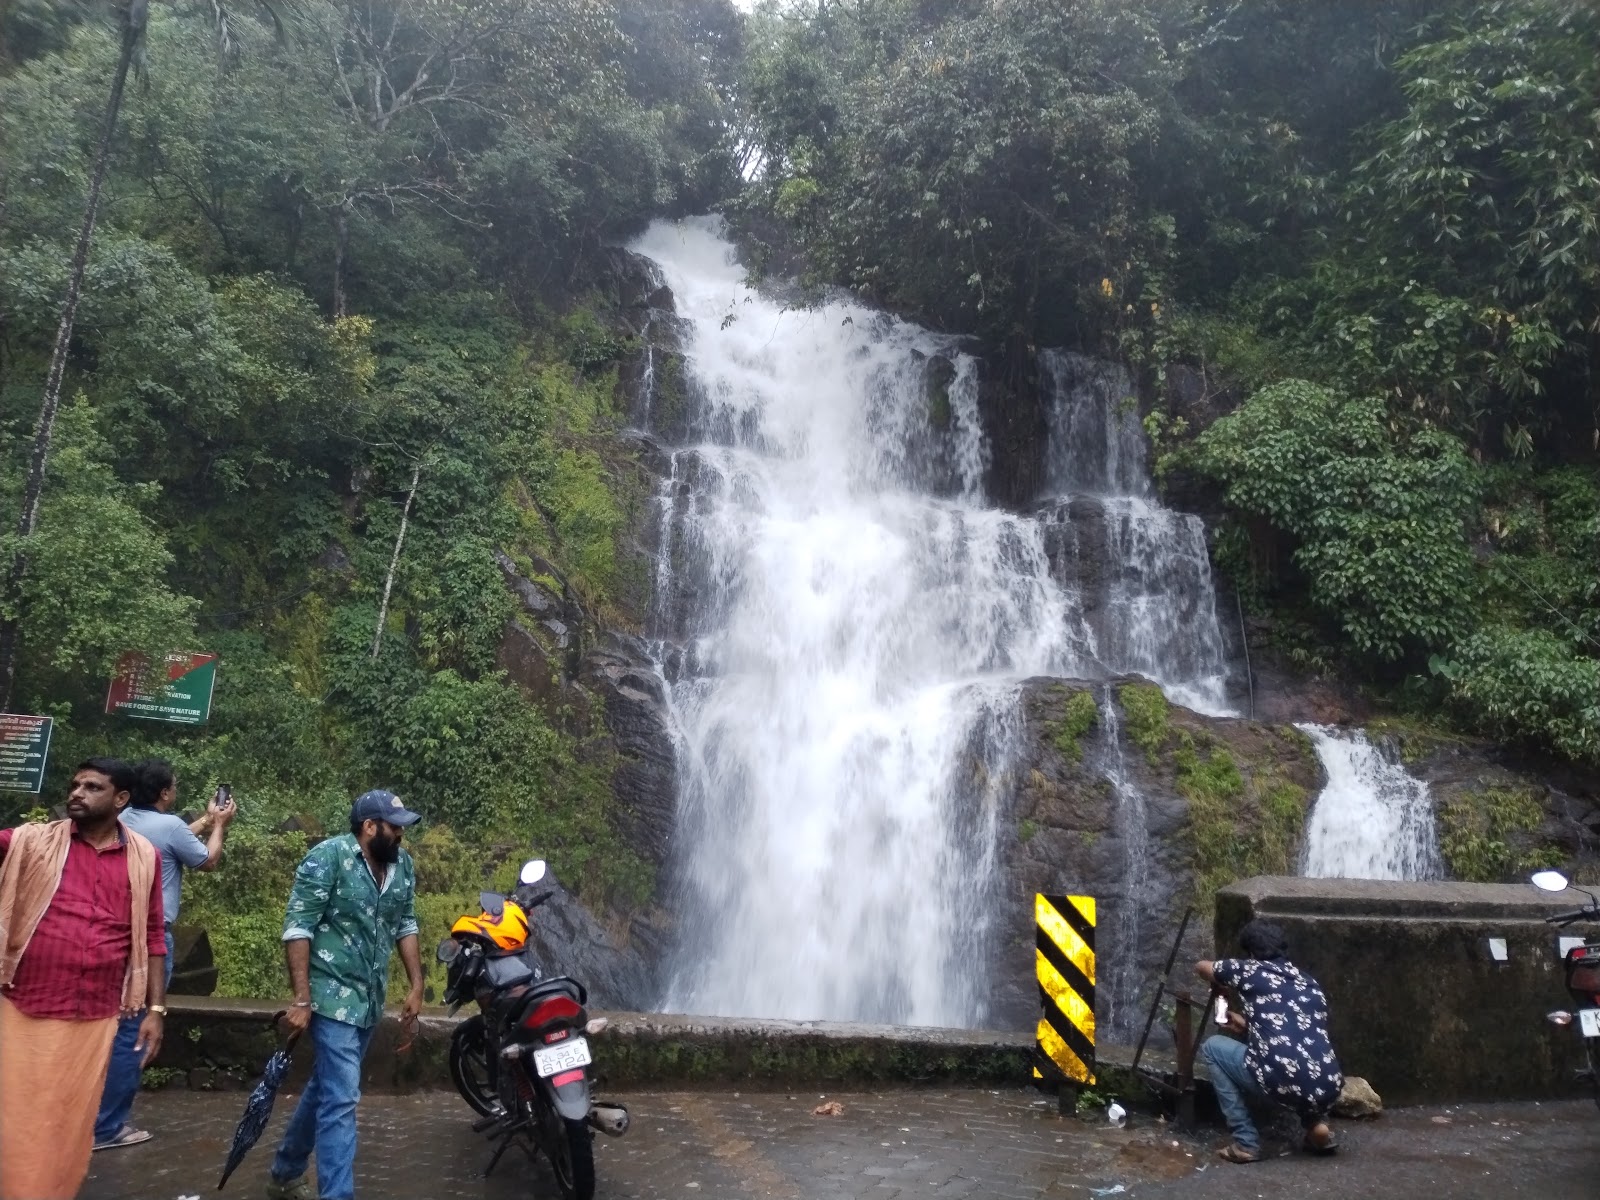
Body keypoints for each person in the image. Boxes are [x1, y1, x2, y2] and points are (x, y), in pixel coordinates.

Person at [0, 758, 167, 1200]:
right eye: (75, 784)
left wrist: (155, 1009)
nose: (77, 793)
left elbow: (152, 935)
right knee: (19, 1121)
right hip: (25, 1007)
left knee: (69, 1125)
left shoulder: (144, 857)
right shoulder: (32, 841)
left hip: (97, 1014)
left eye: (92, 787)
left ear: (121, 799)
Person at [266, 790, 425, 1200]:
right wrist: (302, 999)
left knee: (326, 1086)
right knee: (341, 1098)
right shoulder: (329, 857)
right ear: (369, 827)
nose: (401, 836)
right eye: (394, 828)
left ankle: (285, 1172)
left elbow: (405, 922)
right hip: (330, 994)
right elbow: (298, 927)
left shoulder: (401, 865)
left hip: (369, 997)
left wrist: (416, 984)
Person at [94, 759, 237, 1150]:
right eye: (173, 787)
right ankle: (107, 1127)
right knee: (133, 1030)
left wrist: (205, 822)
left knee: (100, 1025)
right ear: (164, 794)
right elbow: (207, 860)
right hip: (151, 940)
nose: (175, 792)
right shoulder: (169, 826)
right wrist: (220, 825)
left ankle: (84, 1115)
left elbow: (171, 842)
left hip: (108, 934)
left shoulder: (121, 820)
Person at [1196, 920, 1343, 1164]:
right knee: (1300, 1065)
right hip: (1330, 1084)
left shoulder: (1249, 970)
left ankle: (1245, 1142)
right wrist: (1247, 1026)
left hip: (1283, 1080)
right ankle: (1317, 1127)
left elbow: (1202, 967)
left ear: (1251, 952)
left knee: (1213, 1048)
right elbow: (1293, 1034)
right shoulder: (1309, 983)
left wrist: (1222, 979)